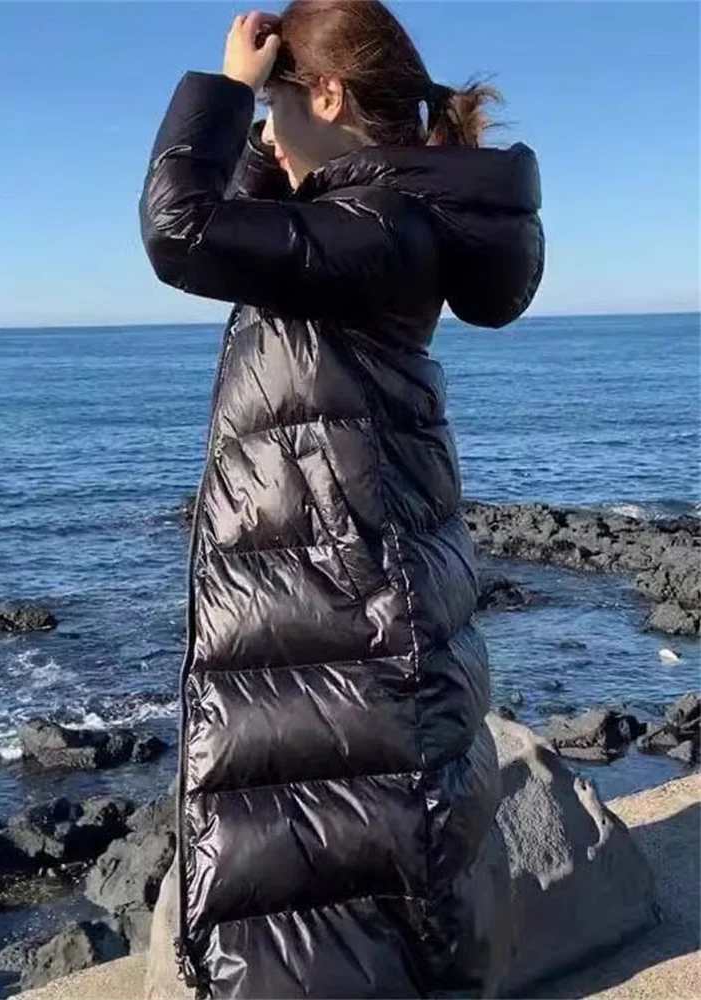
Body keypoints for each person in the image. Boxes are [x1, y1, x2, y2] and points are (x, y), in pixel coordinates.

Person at [139, 2, 544, 997]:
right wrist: (260, 135)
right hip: (344, 642)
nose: (265, 133)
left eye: (275, 108)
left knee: (338, 939)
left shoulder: (374, 229)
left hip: (350, 657)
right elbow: (245, 240)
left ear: (324, 95)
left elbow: (180, 229)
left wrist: (225, 89)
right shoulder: (365, 225)